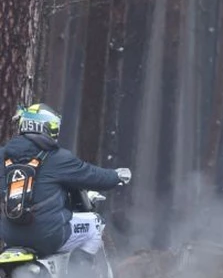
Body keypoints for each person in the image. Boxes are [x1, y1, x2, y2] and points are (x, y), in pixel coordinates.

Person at [0, 103, 130, 258]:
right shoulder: (57, 158)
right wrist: (116, 176)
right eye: (54, 128)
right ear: (44, 127)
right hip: (48, 236)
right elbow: (92, 176)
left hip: (10, 236)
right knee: (95, 223)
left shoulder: (3, 155)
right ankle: (78, 276)